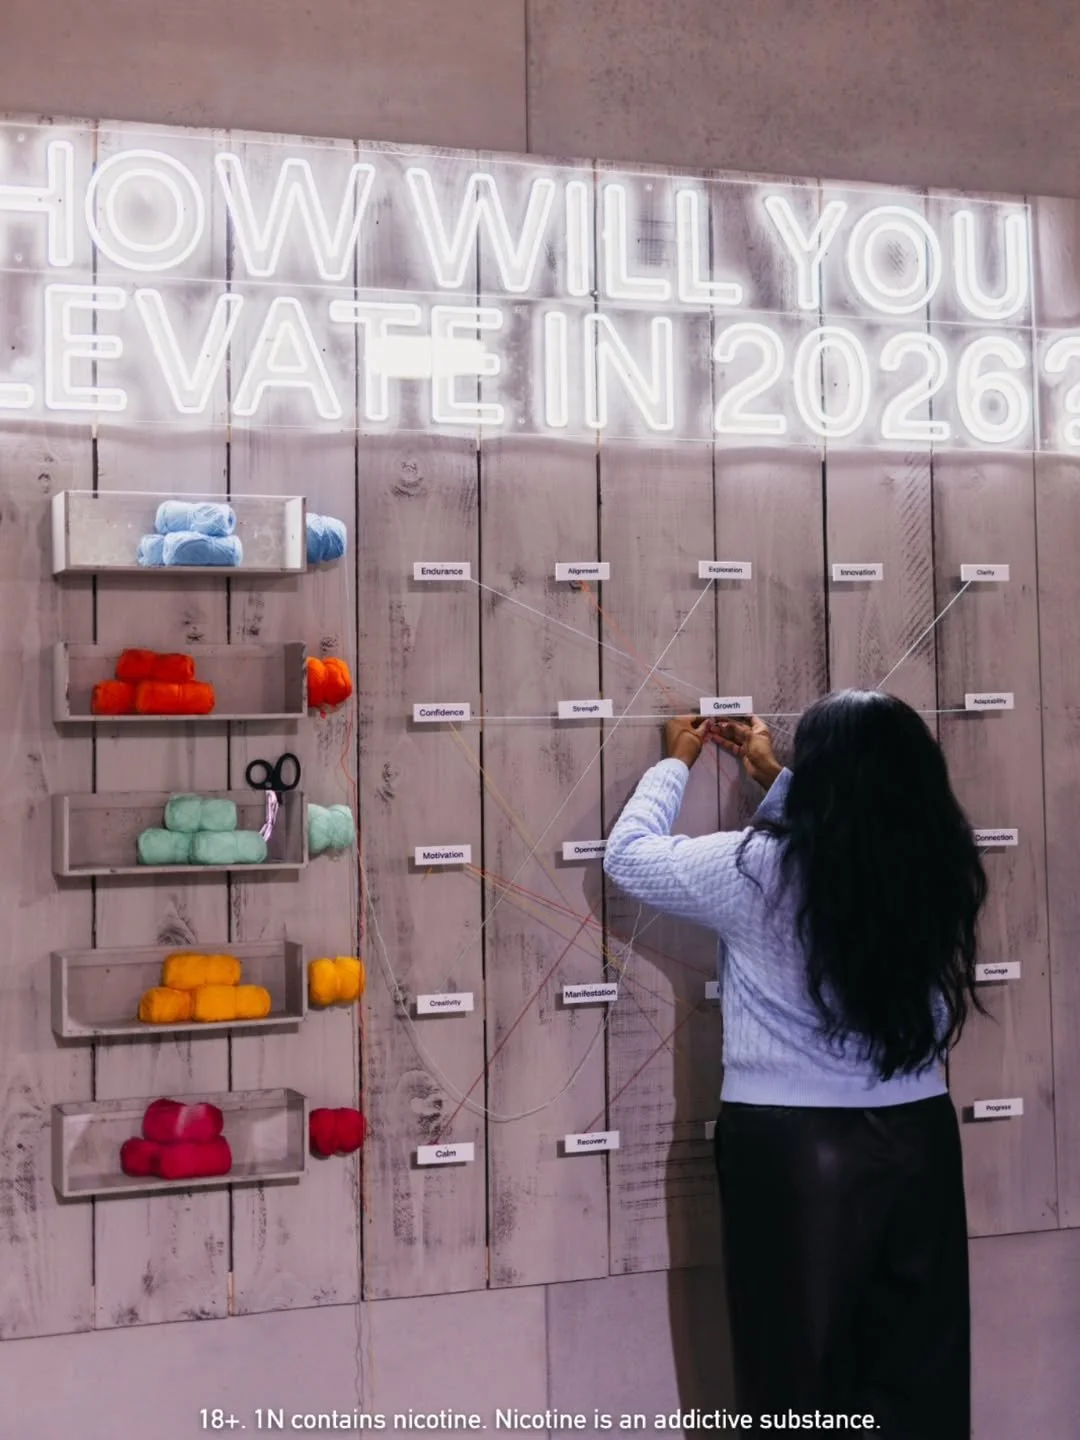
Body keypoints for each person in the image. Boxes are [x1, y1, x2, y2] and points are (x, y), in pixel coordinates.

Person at [603, 690, 986, 1438]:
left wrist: (674, 764)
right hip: (919, 1139)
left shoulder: (758, 870)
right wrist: (779, 777)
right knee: (920, 1374)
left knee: (797, 1382)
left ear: (825, 777)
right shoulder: (936, 866)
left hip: (794, 1151)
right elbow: (847, 845)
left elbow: (630, 857)